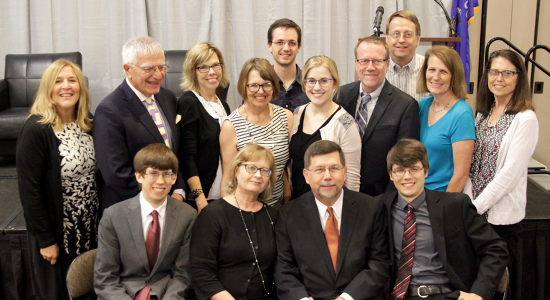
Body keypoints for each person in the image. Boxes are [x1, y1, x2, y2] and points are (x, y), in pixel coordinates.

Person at [380, 139, 508, 300]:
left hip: (446, 294)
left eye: (414, 169)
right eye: (399, 170)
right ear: (391, 175)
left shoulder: (455, 206)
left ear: (426, 171)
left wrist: (478, 293)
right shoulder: (378, 208)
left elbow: (496, 248)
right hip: (397, 295)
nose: (407, 176)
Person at [17, 60, 98, 300]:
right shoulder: (37, 129)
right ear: (47, 88)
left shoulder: (87, 122)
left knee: (86, 291)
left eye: (72, 80)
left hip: (88, 229)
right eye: (58, 81)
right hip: (57, 234)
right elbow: (30, 191)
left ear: (81, 87)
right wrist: (46, 240)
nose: (66, 87)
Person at [275, 140, 390, 300]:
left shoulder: (371, 208)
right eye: (319, 169)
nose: (327, 176)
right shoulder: (288, 215)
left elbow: (379, 264)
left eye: (334, 168)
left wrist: (346, 298)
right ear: (306, 176)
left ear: (345, 172)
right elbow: (284, 269)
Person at [94, 143, 196, 299]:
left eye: (168, 174)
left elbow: (183, 274)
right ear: (139, 176)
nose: (161, 181)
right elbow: (106, 278)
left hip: (166, 293)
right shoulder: (113, 216)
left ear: (175, 178)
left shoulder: (187, 215)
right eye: (153, 173)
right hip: (125, 293)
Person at [93, 36, 185, 211]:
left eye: (161, 67)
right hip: (132, 209)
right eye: (149, 69)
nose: (158, 75)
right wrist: (159, 201)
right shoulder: (110, 110)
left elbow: (173, 152)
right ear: (128, 69)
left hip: (171, 204)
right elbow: (116, 174)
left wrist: (179, 190)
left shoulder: (167, 98)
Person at [466, 49, 538, 269]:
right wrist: (469, 204)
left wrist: (476, 207)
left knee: (493, 284)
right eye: (494, 71)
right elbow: (471, 163)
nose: (499, 78)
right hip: (473, 213)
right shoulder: (482, 113)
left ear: (519, 78)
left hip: (500, 220)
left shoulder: (525, 119)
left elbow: (510, 174)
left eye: (507, 73)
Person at [191, 143, 278, 300]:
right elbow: (201, 271)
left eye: (264, 170)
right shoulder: (212, 214)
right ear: (236, 170)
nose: (258, 175)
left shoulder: (275, 216)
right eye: (251, 167)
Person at [337, 36, 420, 197]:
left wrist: (388, 201)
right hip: (341, 193)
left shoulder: (405, 106)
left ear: (387, 64)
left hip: (381, 198)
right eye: (364, 61)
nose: (370, 67)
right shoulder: (340, 97)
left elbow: (405, 161)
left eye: (377, 61)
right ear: (356, 63)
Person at [220, 58, 294, 207]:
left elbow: (285, 167)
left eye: (266, 84)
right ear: (244, 86)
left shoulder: (287, 117)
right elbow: (228, 180)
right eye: (254, 85)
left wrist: (287, 199)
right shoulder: (231, 126)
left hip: (278, 208)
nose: (261, 91)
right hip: (245, 210)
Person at [290, 55, 361, 199]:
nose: (317, 87)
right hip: (297, 203)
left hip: (329, 205)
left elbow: (352, 181)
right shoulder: (297, 113)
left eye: (324, 81)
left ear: (334, 83)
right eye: (311, 81)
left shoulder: (346, 123)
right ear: (304, 84)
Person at [177, 42, 231, 212]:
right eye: (203, 67)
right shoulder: (188, 103)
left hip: (225, 195)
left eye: (216, 65)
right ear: (193, 71)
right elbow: (188, 158)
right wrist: (200, 200)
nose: (212, 72)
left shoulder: (224, 105)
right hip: (203, 200)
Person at [417, 46, 475, 192]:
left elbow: (461, 175)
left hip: (441, 197)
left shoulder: (462, 114)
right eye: (431, 70)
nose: (436, 77)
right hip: (416, 194)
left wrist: (444, 207)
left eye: (443, 71)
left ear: (454, 76)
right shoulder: (423, 106)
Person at [385, 10, 429, 101]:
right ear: (387, 38)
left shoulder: (429, 68)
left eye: (408, 34)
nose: (401, 40)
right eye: (395, 34)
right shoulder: (376, 69)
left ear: (417, 39)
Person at [267, 18, 309, 111]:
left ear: (299, 47)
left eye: (292, 43)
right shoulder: (259, 87)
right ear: (269, 46)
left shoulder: (311, 84)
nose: (286, 48)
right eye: (279, 42)